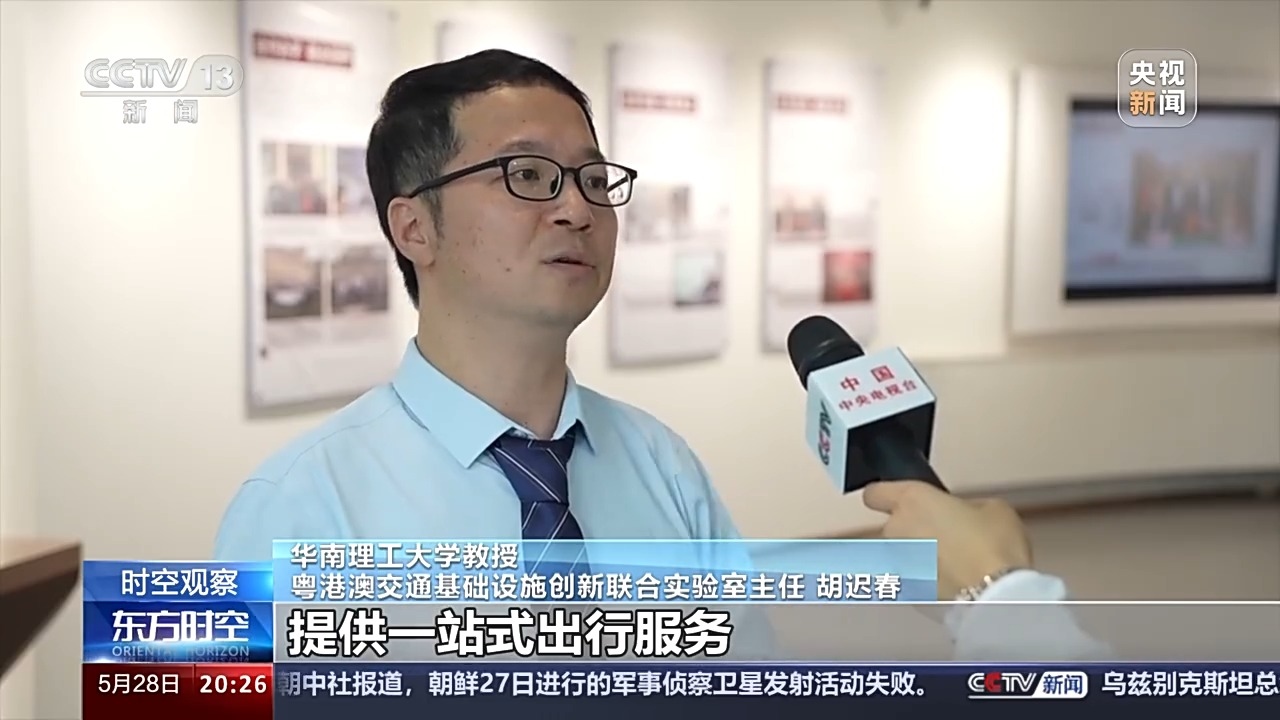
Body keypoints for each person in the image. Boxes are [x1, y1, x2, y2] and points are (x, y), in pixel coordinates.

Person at [214, 50, 1108, 660]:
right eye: (528, 175)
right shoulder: (301, 507)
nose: (576, 208)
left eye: (592, 179)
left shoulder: (662, 467)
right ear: (413, 227)